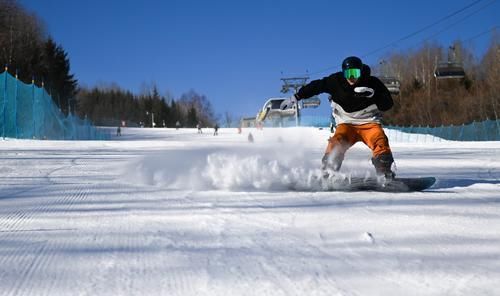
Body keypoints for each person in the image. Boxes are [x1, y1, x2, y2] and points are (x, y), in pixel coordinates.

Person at [289, 56, 395, 179]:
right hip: (346, 124)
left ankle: (384, 172)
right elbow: (317, 86)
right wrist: (296, 96)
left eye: (355, 73)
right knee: (337, 142)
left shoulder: (372, 83)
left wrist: (374, 95)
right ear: (343, 73)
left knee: (380, 140)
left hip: (369, 123)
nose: (351, 77)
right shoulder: (336, 81)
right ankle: (329, 172)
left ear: (361, 72)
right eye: (348, 73)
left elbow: (388, 105)